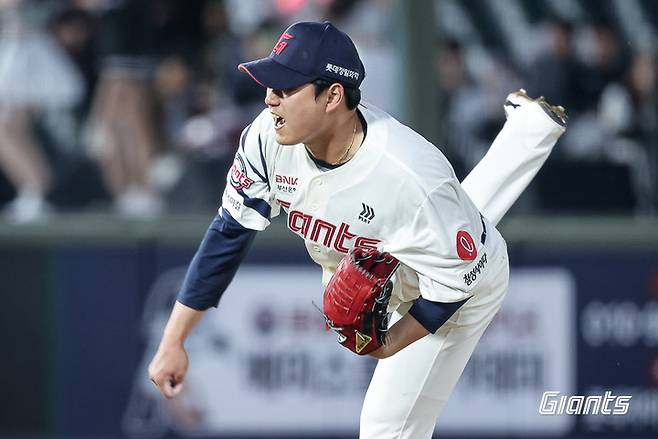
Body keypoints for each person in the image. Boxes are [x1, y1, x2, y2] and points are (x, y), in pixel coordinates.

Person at [148, 21, 566, 438]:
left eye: (286, 88)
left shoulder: (407, 175)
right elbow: (227, 234)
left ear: (333, 96)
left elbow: (457, 282)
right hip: (405, 247)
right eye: (271, 85)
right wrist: (173, 340)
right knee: (437, 222)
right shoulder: (266, 138)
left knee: (386, 426)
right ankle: (529, 131)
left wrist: (389, 344)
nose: (270, 98)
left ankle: (526, 136)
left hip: (455, 286)